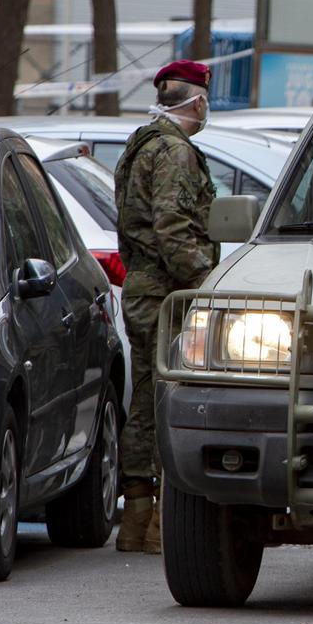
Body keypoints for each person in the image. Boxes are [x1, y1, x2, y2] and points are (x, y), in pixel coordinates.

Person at [113, 61, 219, 553]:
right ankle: (158, 523)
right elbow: (173, 229)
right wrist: (205, 284)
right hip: (168, 292)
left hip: (141, 286)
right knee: (168, 400)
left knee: (145, 401)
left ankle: (137, 516)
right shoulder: (175, 152)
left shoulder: (142, 143)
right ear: (197, 101)